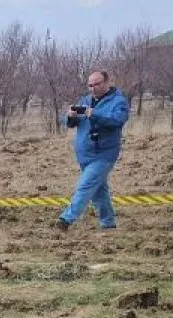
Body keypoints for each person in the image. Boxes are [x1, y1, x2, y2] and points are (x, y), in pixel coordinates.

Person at [57, 71, 130, 231]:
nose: (93, 88)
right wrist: (70, 116)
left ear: (107, 83)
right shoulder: (85, 100)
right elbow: (71, 123)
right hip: (84, 154)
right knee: (99, 190)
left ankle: (66, 219)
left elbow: (117, 121)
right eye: (90, 85)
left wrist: (95, 114)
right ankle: (108, 222)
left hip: (104, 154)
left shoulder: (119, 102)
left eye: (97, 84)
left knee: (85, 186)